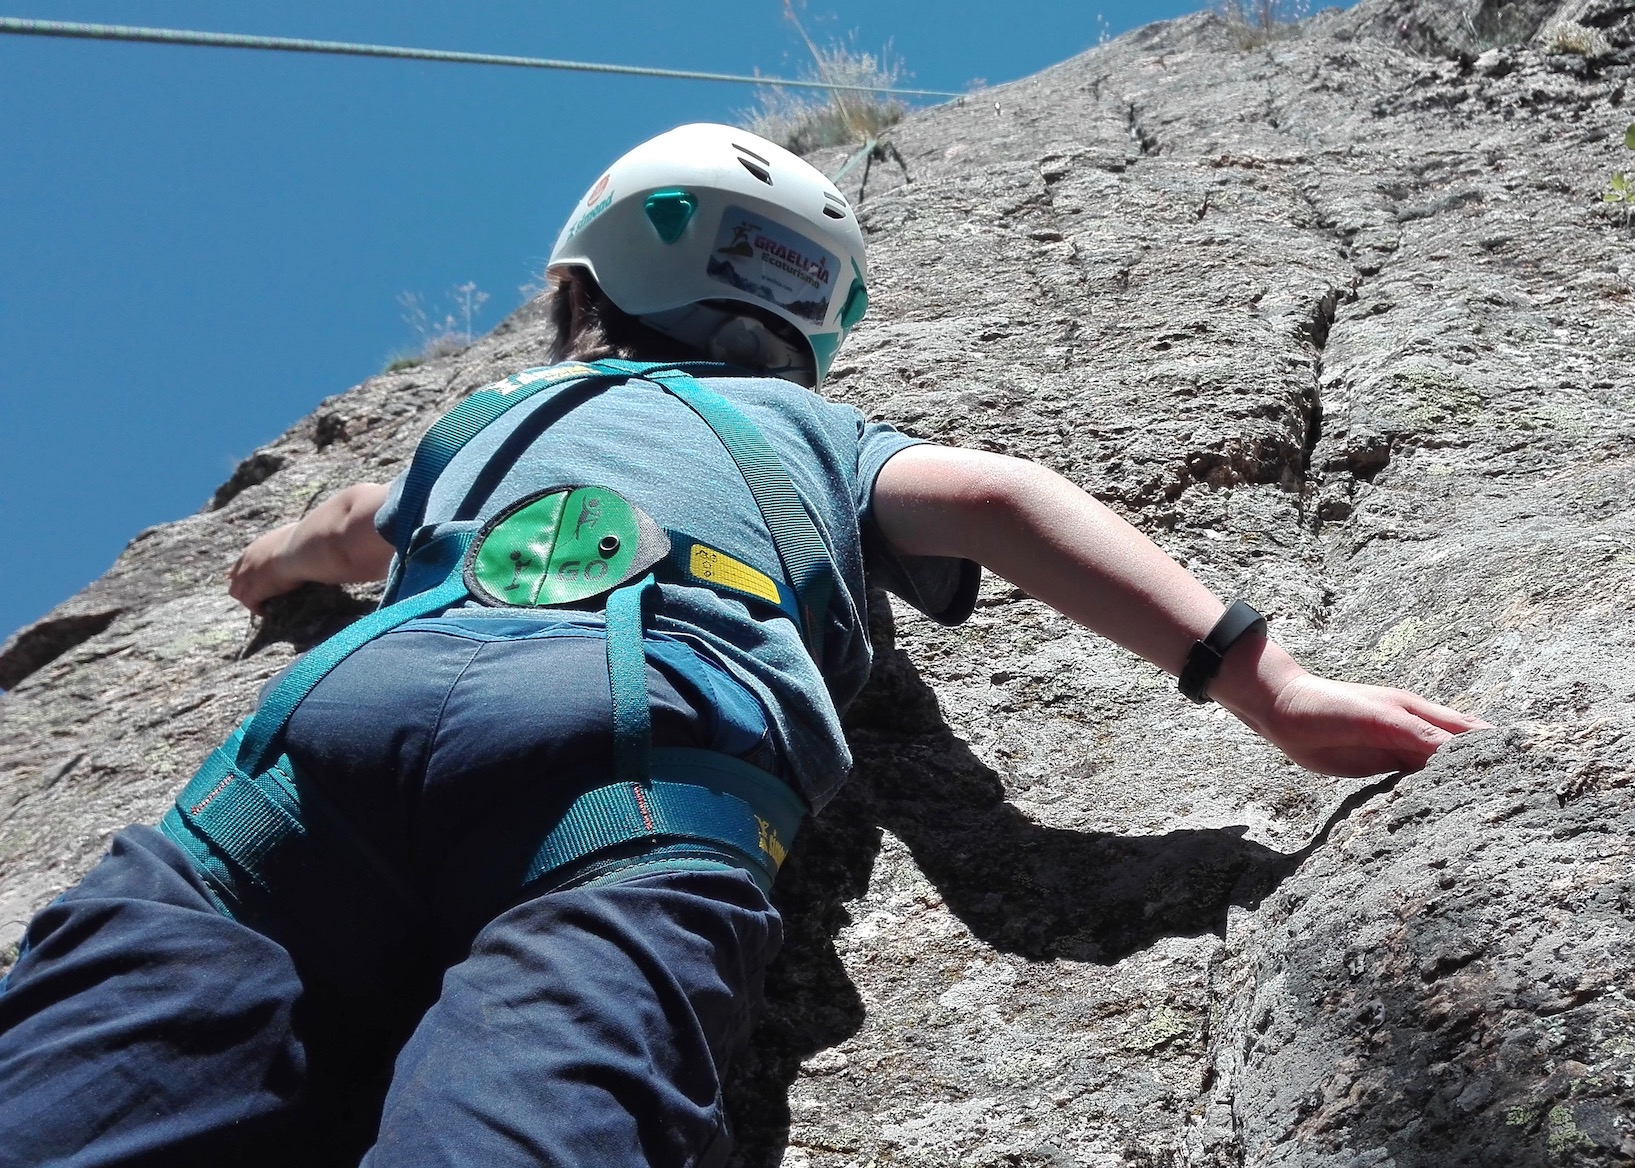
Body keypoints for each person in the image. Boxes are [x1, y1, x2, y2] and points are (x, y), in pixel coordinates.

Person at [0, 123, 1488, 1168]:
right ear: (804, 330)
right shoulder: (807, 431)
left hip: (303, 764)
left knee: (81, 1078)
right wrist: (1265, 684)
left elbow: (336, 527)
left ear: (581, 291)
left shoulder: (490, 424)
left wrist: (256, 575)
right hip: (637, 764)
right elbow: (997, 501)